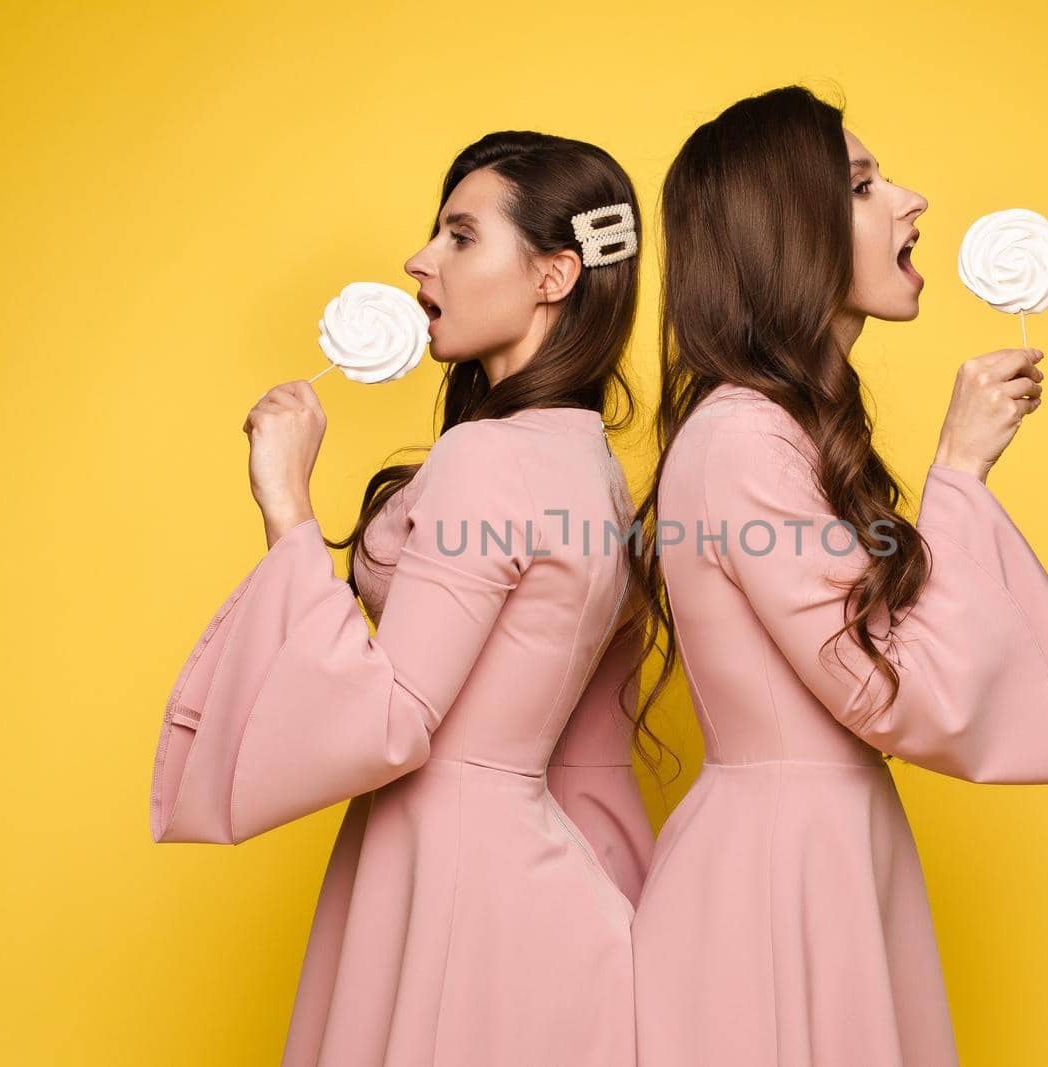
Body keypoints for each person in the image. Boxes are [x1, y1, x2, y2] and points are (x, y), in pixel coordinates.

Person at [626, 86, 1048, 1066]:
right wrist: (957, 469)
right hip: (783, 877)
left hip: (821, 848)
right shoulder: (743, 439)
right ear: (789, 230)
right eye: (863, 184)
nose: (911, 202)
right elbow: (888, 689)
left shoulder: (772, 432)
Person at [148, 130, 654, 1066]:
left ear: (553, 275)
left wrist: (287, 504)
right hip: (532, 881)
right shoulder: (591, 463)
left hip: (451, 881)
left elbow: (389, 718)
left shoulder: (489, 457)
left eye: (461, 235)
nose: (419, 259)